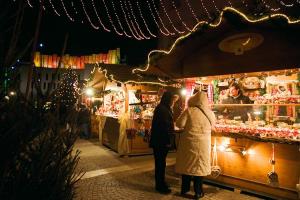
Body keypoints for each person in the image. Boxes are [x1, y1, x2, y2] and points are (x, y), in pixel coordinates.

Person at [175, 91, 216, 200]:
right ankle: (198, 192)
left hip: (189, 143)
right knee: (199, 167)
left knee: (187, 166)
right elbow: (213, 125)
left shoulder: (189, 111)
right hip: (203, 145)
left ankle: (184, 190)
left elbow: (179, 124)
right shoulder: (210, 113)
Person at [149, 91, 174, 194]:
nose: (173, 102)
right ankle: (160, 186)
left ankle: (161, 183)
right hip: (161, 141)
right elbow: (164, 127)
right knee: (160, 164)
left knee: (161, 163)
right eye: (172, 99)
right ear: (168, 99)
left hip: (159, 141)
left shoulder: (162, 108)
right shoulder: (163, 110)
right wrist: (168, 141)